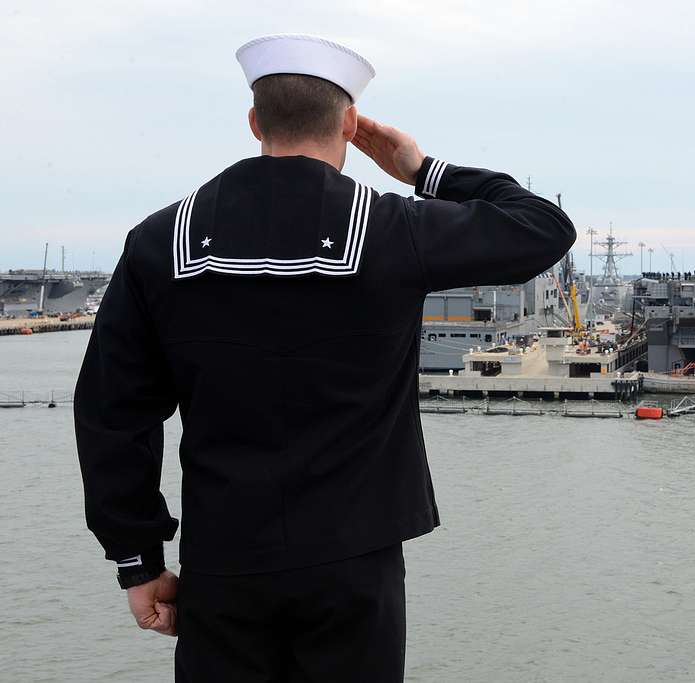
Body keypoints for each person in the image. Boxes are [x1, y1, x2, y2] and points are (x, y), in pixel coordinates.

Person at [74, 33, 575, 682]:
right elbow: (544, 227)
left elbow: (113, 412)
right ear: (349, 123)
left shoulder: (159, 240)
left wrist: (137, 559)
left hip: (225, 561)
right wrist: (423, 170)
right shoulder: (394, 230)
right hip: (354, 561)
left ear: (255, 123)